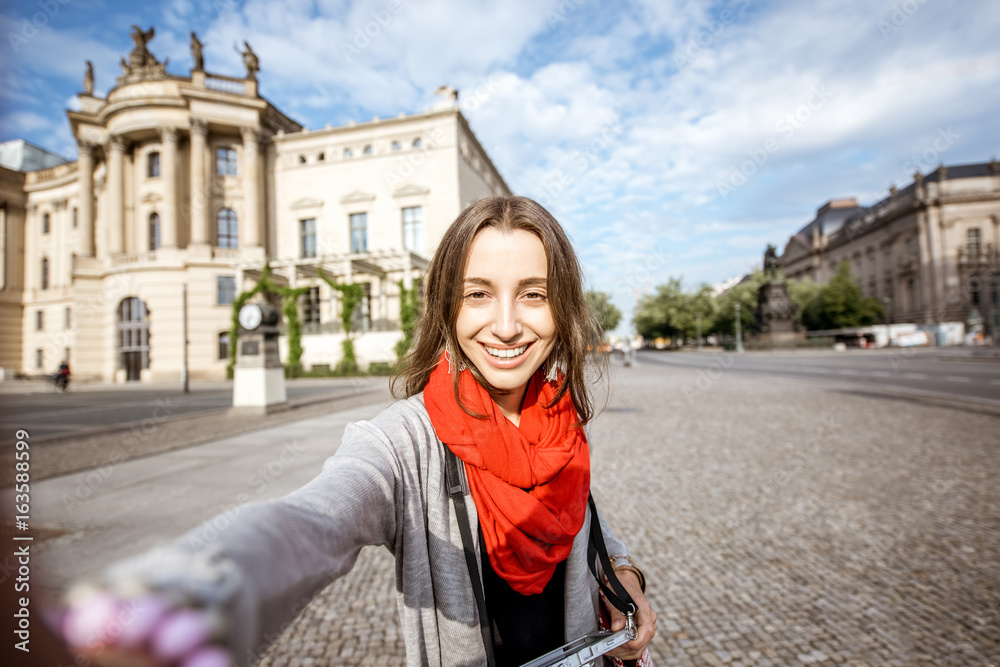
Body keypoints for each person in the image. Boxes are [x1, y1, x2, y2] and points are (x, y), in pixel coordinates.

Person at [58, 196, 656, 666]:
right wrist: (172, 600)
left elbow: (580, 513)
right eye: (478, 295)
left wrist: (621, 573)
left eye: (533, 295)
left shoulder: (562, 421)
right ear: (448, 307)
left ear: (563, 308)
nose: (505, 325)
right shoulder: (401, 443)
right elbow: (315, 520)